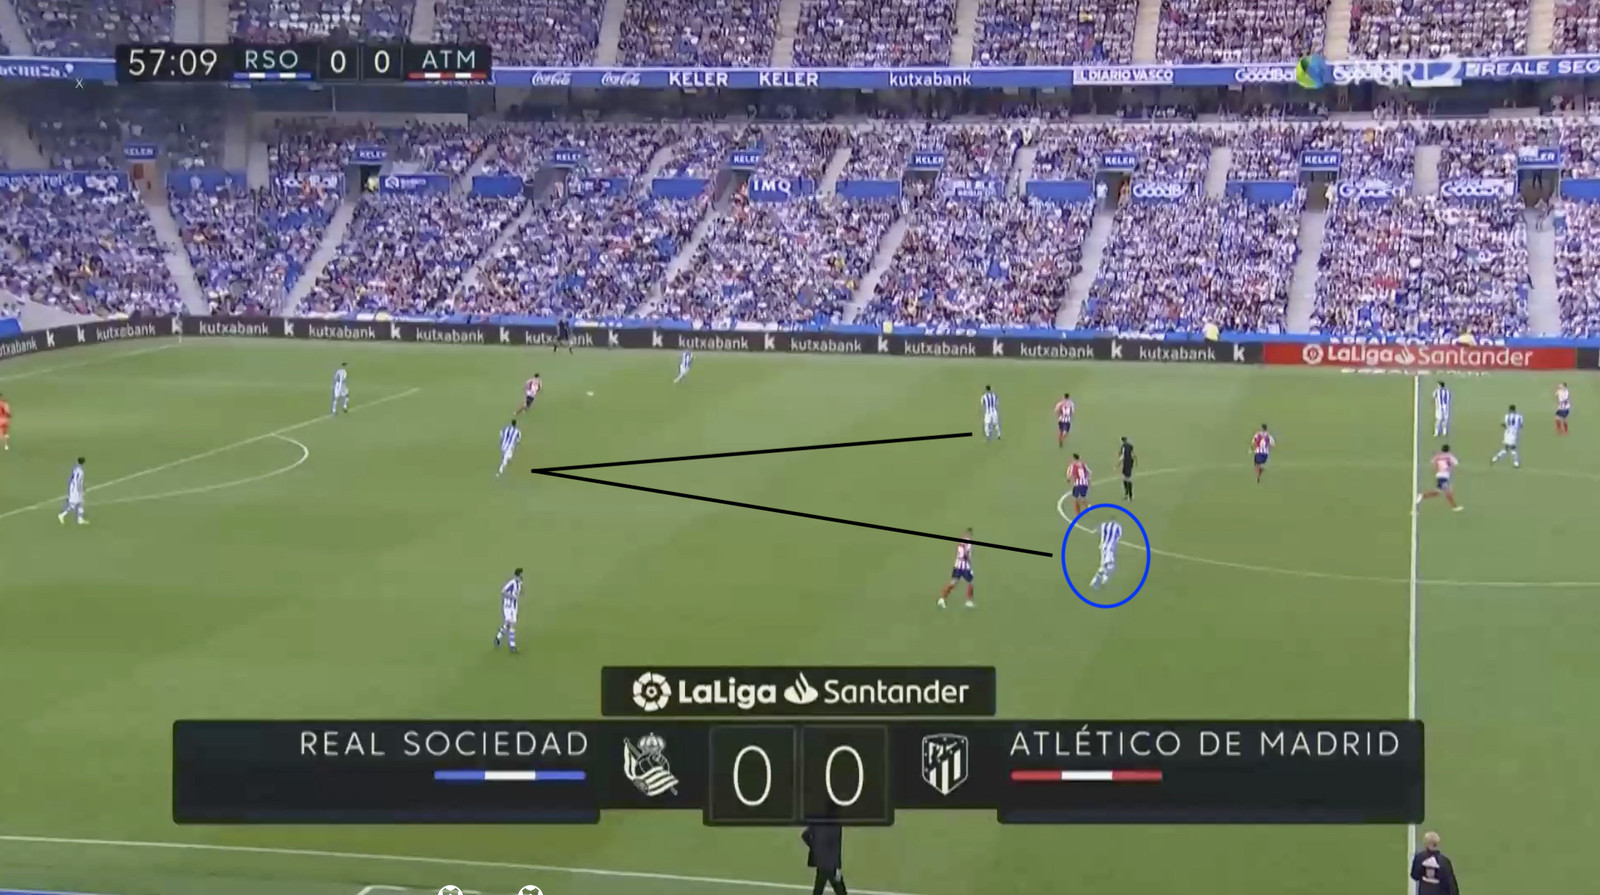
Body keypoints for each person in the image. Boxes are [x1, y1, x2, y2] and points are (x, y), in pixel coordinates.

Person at [802, 810, 846, 895]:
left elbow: (805, 835)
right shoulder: (836, 825)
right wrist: (838, 867)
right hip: (831, 865)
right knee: (840, 891)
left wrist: (815, 847)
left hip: (820, 861)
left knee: (818, 889)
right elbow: (836, 848)